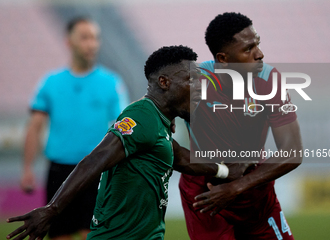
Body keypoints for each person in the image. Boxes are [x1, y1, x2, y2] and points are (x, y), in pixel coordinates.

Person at [7, 45, 251, 240]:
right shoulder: (142, 116)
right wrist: (53, 209)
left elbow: (182, 159)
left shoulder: (160, 121)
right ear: (164, 83)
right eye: (190, 80)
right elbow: (96, 159)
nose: (199, 89)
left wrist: (227, 170)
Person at [179, 12, 303, 239]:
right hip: (205, 198)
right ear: (223, 59)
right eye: (248, 49)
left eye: (258, 44)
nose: (260, 54)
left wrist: (235, 187)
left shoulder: (269, 81)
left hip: (254, 195)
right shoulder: (193, 83)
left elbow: (293, 152)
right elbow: (152, 121)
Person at [20, 16, 130, 240]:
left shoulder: (112, 83)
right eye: (85, 37)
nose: (92, 43)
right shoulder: (50, 82)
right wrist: (27, 168)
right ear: (68, 41)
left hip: (97, 169)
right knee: (60, 233)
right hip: (59, 170)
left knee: (95, 234)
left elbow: (124, 128)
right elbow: (35, 126)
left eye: (95, 38)